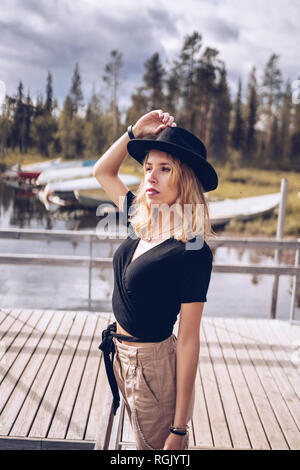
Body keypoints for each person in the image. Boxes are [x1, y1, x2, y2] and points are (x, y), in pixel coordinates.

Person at [94, 109, 218, 450]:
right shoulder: (142, 219)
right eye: (148, 167)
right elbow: (102, 170)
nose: (152, 177)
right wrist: (133, 131)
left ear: (185, 178)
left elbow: (189, 340)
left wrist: (180, 429)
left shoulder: (192, 248)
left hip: (153, 368)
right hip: (122, 358)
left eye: (165, 170)